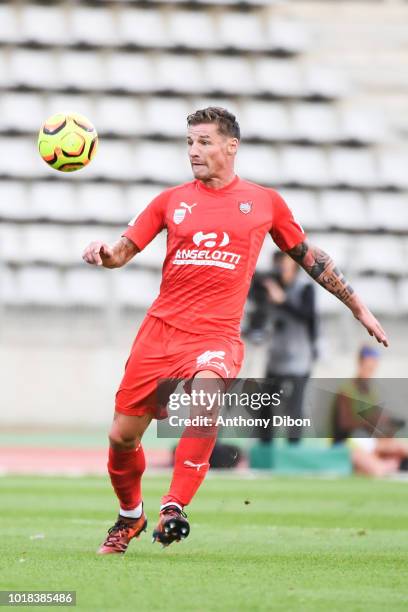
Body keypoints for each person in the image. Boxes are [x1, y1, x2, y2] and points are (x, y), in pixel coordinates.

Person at [82, 107, 388, 554]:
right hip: (160, 332)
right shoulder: (170, 200)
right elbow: (122, 251)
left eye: (204, 142)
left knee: (206, 403)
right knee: (121, 437)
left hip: (216, 337)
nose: (194, 151)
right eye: (189, 142)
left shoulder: (265, 202)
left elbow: (309, 257)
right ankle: (131, 515)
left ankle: (174, 506)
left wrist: (357, 305)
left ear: (231, 145)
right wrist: (103, 252)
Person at [246, 251, 318, 443]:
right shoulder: (272, 286)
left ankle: (293, 447)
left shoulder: (304, 289)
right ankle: (265, 445)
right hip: (276, 356)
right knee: (267, 404)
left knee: (294, 406)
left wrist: (283, 300)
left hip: (299, 358)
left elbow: (308, 316)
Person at [332, 346, 407, 476]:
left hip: (367, 442)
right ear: (360, 363)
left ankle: (390, 464)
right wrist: (370, 421)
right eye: (367, 367)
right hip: (347, 444)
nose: (370, 371)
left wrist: (386, 427)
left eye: (372, 368)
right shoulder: (346, 390)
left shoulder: (372, 393)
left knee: (400, 448)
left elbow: (373, 428)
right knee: (377, 469)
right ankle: (390, 465)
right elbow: (344, 424)